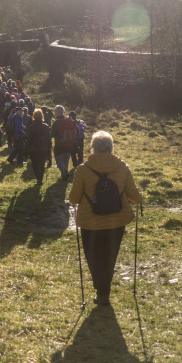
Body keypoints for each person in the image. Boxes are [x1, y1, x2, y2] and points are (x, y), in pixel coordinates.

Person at [68, 131, 142, 306]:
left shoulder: (83, 170)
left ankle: (101, 291)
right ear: (111, 148)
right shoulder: (123, 167)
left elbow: (73, 199)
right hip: (116, 221)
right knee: (110, 256)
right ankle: (104, 292)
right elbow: (135, 197)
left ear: (93, 148)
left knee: (93, 256)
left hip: (90, 222)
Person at [25, 109, 52, 185]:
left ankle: (38, 177)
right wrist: (49, 149)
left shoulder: (31, 127)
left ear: (33, 116)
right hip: (43, 149)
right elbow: (49, 140)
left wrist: (26, 149)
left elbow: (29, 139)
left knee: (35, 164)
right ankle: (40, 178)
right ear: (42, 116)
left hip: (33, 149)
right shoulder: (46, 127)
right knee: (41, 164)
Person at [50, 105, 77, 181]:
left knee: (59, 161)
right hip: (69, 144)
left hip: (59, 144)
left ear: (58, 112)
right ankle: (64, 174)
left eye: (55, 111)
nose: (54, 113)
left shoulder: (57, 122)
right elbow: (76, 130)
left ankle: (64, 172)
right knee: (66, 159)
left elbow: (52, 134)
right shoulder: (69, 120)